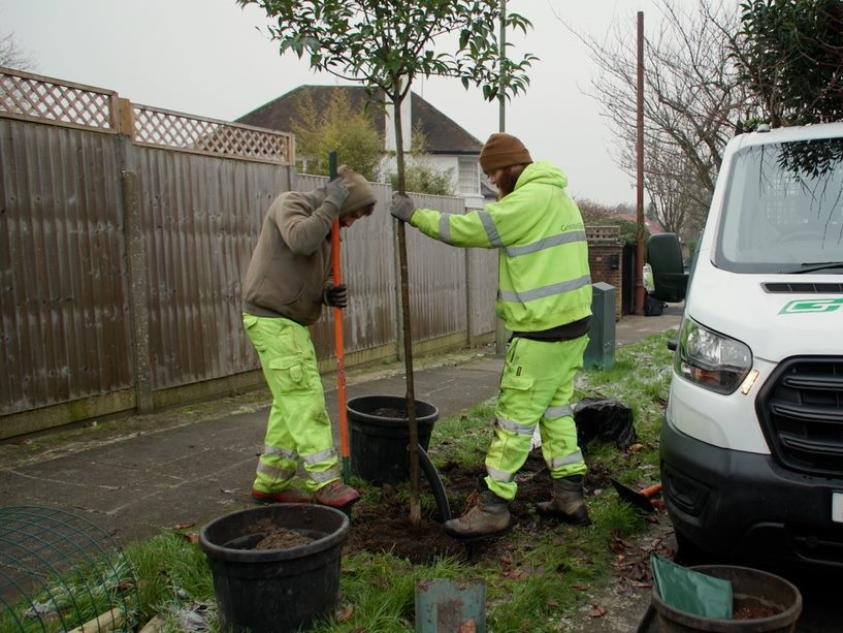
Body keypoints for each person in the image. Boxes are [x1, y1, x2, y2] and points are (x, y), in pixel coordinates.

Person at [390, 133, 593, 537]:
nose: (495, 184)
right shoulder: (559, 197)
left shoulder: (527, 201)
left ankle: (494, 506)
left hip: (541, 330)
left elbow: (471, 229)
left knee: (514, 421)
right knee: (556, 414)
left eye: (494, 175)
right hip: (573, 326)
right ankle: (570, 497)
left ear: (509, 168)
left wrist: (416, 216)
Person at [242, 166, 376, 509]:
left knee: (289, 402)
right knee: (305, 397)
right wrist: (332, 203)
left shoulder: (329, 229)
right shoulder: (291, 204)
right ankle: (326, 480)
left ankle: (270, 482)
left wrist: (328, 293)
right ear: (341, 203)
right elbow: (301, 241)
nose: (349, 223)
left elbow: (315, 273)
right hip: (272, 318)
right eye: (352, 215)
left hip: (292, 322)